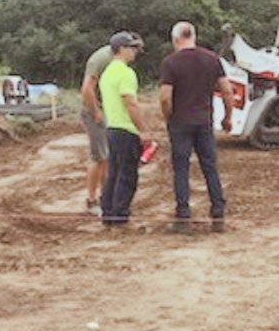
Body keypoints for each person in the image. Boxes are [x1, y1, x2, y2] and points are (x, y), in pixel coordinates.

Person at [159, 20, 234, 231]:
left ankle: (183, 217)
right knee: (210, 167)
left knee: (181, 169)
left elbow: (165, 97)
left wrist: (168, 116)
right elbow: (227, 91)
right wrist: (227, 117)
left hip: (180, 122)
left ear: (175, 39)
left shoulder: (170, 63)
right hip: (204, 121)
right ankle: (218, 213)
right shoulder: (212, 59)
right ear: (194, 36)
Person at [98, 31, 151, 226]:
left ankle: (108, 214)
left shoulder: (107, 73)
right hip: (126, 130)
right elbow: (130, 104)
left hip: (112, 128)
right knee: (127, 176)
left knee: (113, 174)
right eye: (132, 48)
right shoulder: (126, 73)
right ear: (121, 49)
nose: (135, 52)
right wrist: (144, 129)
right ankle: (120, 216)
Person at [79, 39, 116, 216]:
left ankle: (105, 197)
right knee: (99, 156)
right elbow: (87, 88)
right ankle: (92, 200)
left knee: (105, 157)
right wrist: (96, 113)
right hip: (95, 111)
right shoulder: (101, 59)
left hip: (105, 109)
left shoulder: (113, 58)